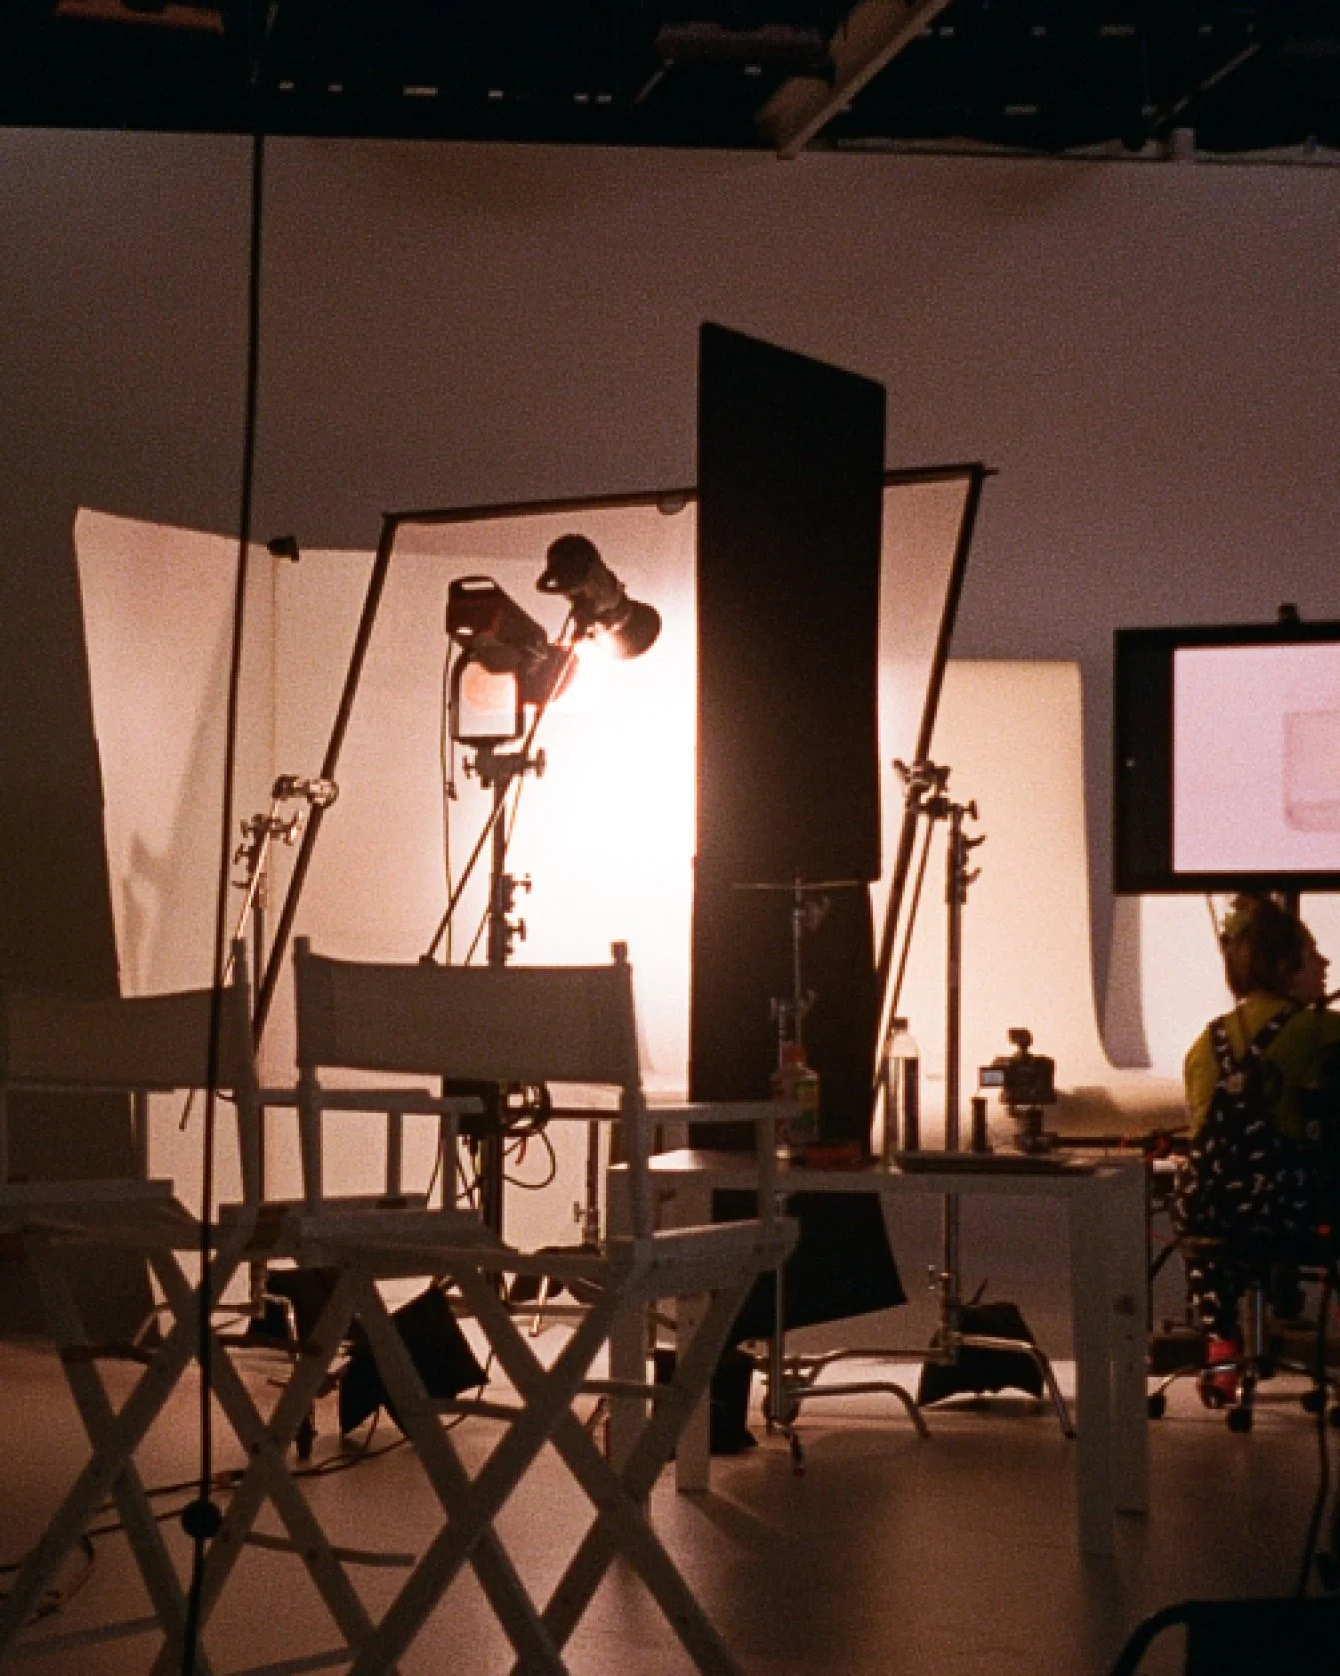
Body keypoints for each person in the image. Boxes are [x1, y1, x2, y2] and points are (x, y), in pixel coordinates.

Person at [1175, 895, 1340, 1403]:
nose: (1327, 964)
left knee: (1210, 1219)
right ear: (1286, 965)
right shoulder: (1319, 1031)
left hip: (1211, 1219)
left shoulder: (1206, 1043)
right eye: (1314, 955)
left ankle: (1221, 1347)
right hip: (1289, 1214)